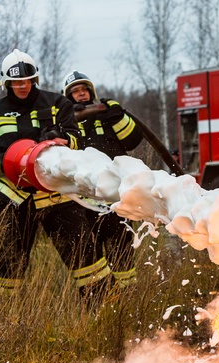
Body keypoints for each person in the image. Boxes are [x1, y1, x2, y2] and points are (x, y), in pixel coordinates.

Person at [0, 49, 111, 303]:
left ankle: (105, 312)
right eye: (16, 82)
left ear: (34, 79)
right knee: (5, 263)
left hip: (58, 196)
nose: (22, 86)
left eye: (26, 80)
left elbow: (77, 141)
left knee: (85, 258)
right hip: (14, 199)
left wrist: (59, 140)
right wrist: (2, 162)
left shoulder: (57, 104)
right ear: (6, 83)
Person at [62, 70, 144, 288]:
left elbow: (132, 141)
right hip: (83, 202)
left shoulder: (106, 115)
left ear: (91, 92)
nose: (81, 95)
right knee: (90, 250)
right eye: (75, 92)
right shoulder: (65, 122)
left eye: (84, 90)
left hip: (116, 198)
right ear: (68, 97)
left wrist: (118, 116)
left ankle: (127, 295)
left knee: (122, 248)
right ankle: (102, 298)